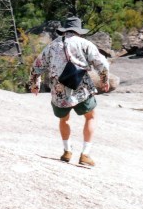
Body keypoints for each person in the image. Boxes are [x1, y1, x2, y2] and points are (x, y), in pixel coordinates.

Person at [30, 16, 110, 167]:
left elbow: (37, 66)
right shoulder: (85, 44)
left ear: (65, 30)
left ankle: (67, 151)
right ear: (79, 31)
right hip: (81, 87)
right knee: (91, 117)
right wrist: (104, 80)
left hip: (58, 89)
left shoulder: (53, 45)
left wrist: (35, 84)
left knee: (64, 119)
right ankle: (85, 154)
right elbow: (102, 64)